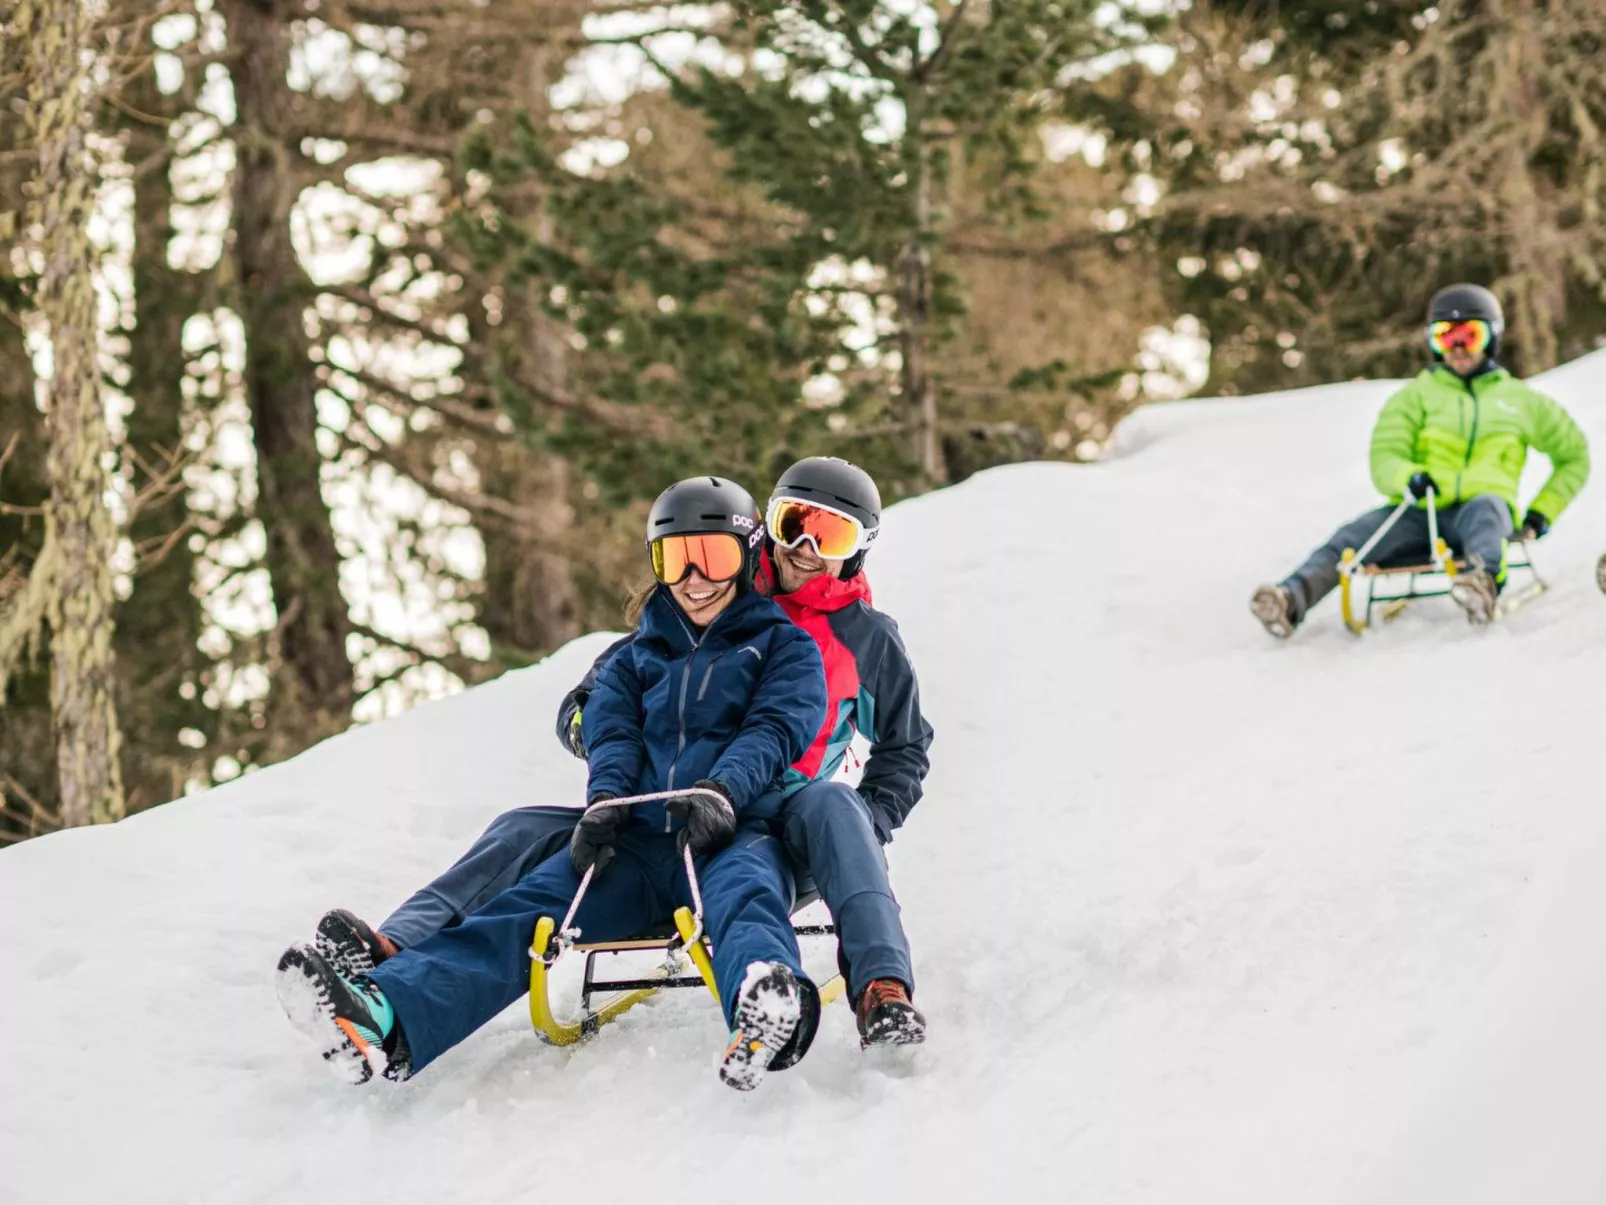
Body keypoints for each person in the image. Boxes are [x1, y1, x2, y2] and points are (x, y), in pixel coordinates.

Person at [311, 458, 935, 1049]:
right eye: (794, 523)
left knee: (827, 812)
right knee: (523, 831)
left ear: (859, 547)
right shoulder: (708, 596)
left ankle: (874, 987)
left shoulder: (854, 640)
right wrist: (606, 763)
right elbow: (601, 696)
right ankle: (395, 954)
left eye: (831, 535)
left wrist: (867, 826)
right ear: (763, 529)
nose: (806, 547)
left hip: (776, 818)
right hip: (660, 812)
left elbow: (885, 745)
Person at [1251, 283, 1590, 636]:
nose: (1457, 348)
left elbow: (1574, 456)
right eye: (1445, 337)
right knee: (1355, 535)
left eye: (1469, 335)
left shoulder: (1523, 401)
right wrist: (1407, 476)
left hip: (1483, 510)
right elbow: (1385, 455)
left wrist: (1541, 512)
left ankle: (1481, 584)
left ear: (1491, 338)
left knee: (1487, 510)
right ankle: (1289, 599)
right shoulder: (1414, 397)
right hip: (1421, 510)